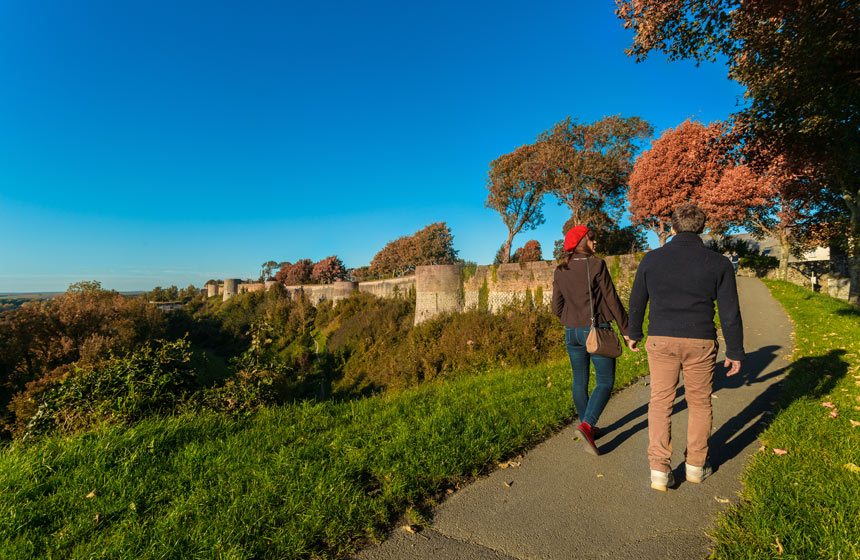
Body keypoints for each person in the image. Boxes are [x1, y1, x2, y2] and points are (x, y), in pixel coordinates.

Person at [628, 204, 744, 491]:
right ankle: (695, 465)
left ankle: (659, 469)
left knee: (660, 402)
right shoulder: (719, 263)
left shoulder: (651, 260)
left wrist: (633, 332)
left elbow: (637, 300)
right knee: (700, 402)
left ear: (673, 227)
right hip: (700, 341)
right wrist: (735, 351)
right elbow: (730, 312)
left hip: (661, 338)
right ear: (701, 228)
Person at [552, 225, 636, 456]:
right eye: (592, 238)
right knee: (606, 381)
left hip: (571, 332)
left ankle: (588, 425)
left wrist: (572, 319)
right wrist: (627, 330)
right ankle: (587, 426)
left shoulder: (560, 270)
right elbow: (612, 299)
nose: (595, 242)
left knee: (579, 380)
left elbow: (555, 307)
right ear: (582, 241)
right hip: (595, 330)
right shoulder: (596, 264)